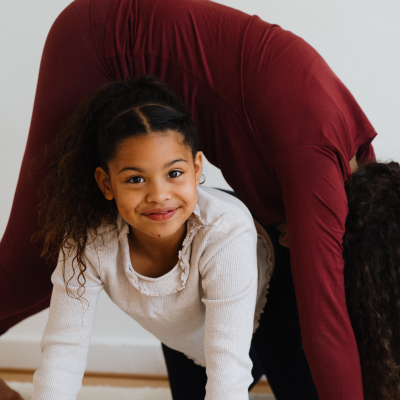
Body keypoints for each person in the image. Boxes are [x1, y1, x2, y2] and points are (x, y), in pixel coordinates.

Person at [0, 0, 389, 399]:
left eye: (175, 173)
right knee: (32, 259)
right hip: (98, 41)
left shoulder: (355, 164)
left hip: (235, 288)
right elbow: (325, 318)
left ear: (197, 166)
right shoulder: (316, 156)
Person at [31, 75, 274, 400]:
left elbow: (228, 371)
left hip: (276, 302)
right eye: (135, 179)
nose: (159, 195)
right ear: (106, 184)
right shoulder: (88, 242)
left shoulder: (224, 229)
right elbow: (63, 351)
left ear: (196, 166)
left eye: (174, 173)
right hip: (187, 334)